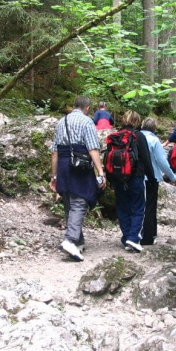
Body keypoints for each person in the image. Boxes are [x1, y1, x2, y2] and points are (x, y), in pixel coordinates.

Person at [50, 96, 107, 261]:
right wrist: (100, 172)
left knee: (69, 200)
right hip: (79, 166)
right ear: (87, 108)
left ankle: (78, 242)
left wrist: (54, 175)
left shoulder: (62, 122)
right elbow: (93, 149)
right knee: (80, 201)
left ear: (75, 106)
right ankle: (70, 239)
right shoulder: (87, 122)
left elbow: (54, 151)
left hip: (62, 165)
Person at [109, 110, 155, 253]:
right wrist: (152, 178)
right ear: (137, 121)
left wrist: (111, 178)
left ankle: (126, 237)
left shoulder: (115, 136)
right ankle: (133, 238)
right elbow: (146, 159)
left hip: (118, 178)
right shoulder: (138, 136)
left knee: (123, 208)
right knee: (138, 207)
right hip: (136, 177)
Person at [140, 117, 176, 246]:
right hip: (151, 178)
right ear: (154, 128)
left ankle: (135, 234)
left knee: (137, 206)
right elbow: (162, 162)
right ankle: (149, 237)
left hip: (135, 177)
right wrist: (172, 177)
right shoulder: (154, 140)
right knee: (150, 207)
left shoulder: (135, 137)